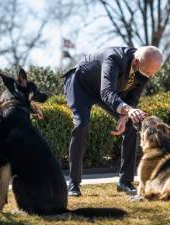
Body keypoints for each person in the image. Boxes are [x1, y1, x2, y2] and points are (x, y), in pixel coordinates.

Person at [62, 46, 163, 196]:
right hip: (80, 85)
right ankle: (74, 183)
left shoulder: (145, 68)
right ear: (135, 62)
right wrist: (128, 110)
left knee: (131, 125)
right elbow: (106, 92)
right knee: (82, 124)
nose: (149, 76)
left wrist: (124, 116)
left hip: (107, 91)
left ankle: (124, 182)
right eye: (147, 72)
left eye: (152, 73)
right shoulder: (113, 59)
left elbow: (133, 98)